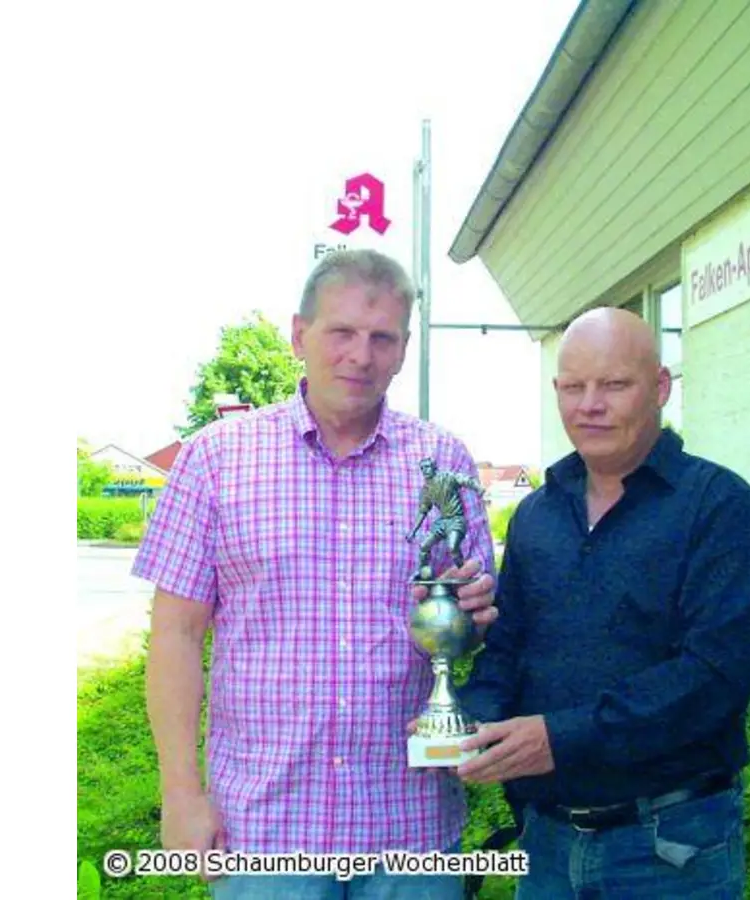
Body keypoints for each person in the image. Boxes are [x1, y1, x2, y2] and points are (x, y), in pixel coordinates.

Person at [133, 248, 499, 900]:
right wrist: (181, 793)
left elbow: (466, 631)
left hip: (409, 826)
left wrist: (469, 621)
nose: (361, 355)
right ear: (299, 335)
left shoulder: (442, 461)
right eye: (341, 332)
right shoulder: (216, 459)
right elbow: (175, 637)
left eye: (382, 337)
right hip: (266, 831)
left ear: (403, 349)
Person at [455, 307, 750, 899]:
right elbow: (508, 646)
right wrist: (466, 718)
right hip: (547, 844)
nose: (590, 405)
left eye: (614, 384)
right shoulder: (536, 515)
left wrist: (559, 737)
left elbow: (712, 679)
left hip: (670, 847)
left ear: (660, 387)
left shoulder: (721, 509)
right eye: (574, 387)